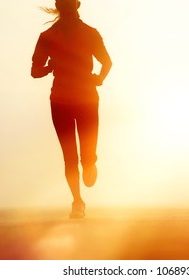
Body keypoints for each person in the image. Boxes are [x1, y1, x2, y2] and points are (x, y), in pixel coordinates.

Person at [31, 0, 112, 219]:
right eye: (63, 5)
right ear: (60, 7)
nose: (67, 9)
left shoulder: (90, 33)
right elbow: (35, 71)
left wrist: (100, 78)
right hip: (60, 101)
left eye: (70, 5)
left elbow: (106, 62)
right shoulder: (47, 37)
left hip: (87, 98)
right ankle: (77, 201)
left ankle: (89, 162)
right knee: (69, 157)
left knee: (85, 156)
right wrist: (50, 67)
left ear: (77, 6)